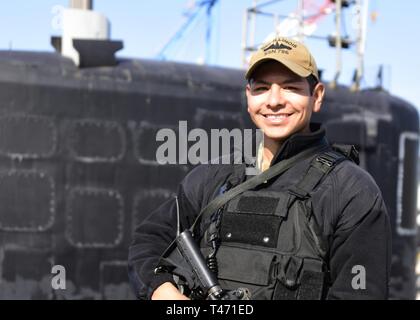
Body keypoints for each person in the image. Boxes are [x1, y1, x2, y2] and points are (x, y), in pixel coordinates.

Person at [128, 36, 391, 300]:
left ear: (317, 96)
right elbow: (150, 239)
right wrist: (164, 293)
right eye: (262, 88)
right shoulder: (216, 175)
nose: (274, 101)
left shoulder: (350, 190)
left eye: (290, 87)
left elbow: (360, 294)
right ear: (248, 97)